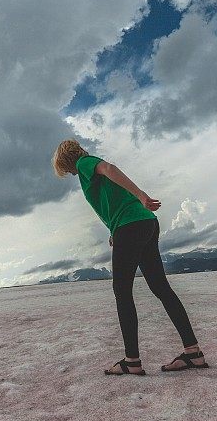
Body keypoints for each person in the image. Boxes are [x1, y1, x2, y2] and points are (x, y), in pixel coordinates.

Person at [51, 139, 208, 375]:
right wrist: (115, 230)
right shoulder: (86, 170)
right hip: (144, 222)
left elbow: (109, 169)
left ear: (66, 160)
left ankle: (132, 361)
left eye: (66, 169)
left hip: (131, 224)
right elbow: (112, 199)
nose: (70, 174)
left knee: (122, 292)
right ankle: (193, 352)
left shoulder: (84, 162)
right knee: (160, 287)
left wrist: (141, 195)